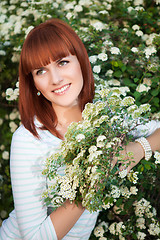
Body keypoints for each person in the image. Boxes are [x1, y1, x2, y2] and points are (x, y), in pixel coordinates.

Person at [0, 18, 160, 240]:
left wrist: (139, 148)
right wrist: (94, 179)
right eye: (40, 71)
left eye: (62, 62)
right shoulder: (30, 139)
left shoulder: (105, 116)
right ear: (33, 83)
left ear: (81, 61)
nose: (55, 79)